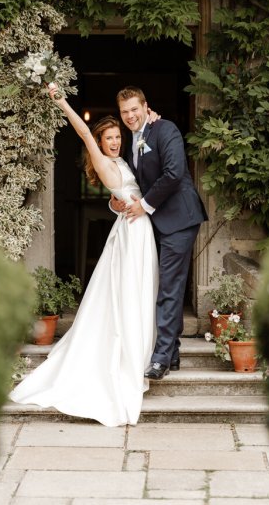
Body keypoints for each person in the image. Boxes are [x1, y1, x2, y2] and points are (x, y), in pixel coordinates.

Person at [9, 85, 159, 427]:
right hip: (131, 235)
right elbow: (80, 129)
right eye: (108, 138)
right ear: (99, 142)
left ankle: (136, 362)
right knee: (128, 300)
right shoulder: (104, 162)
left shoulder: (123, 158)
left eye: (117, 136)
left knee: (138, 297)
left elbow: (128, 183)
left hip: (137, 231)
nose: (115, 141)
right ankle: (126, 367)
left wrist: (150, 120)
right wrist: (61, 101)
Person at [111, 86, 208, 380]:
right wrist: (120, 202)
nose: (129, 116)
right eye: (124, 112)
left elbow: (174, 173)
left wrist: (146, 205)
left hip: (179, 218)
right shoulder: (132, 141)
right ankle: (173, 352)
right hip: (157, 221)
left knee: (168, 286)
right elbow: (135, 183)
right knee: (166, 285)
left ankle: (161, 358)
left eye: (134, 110)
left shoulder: (165, 130)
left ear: (145, 106)